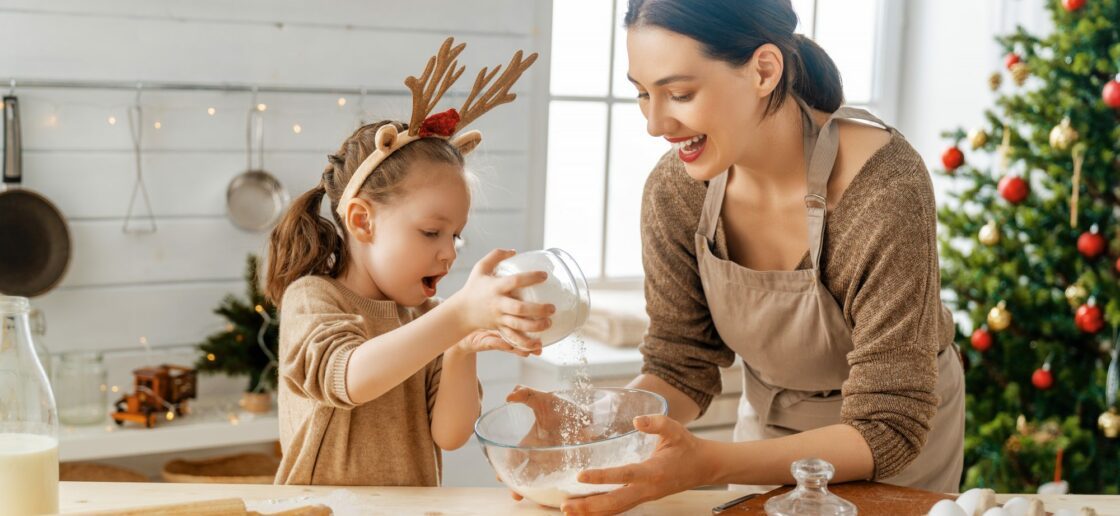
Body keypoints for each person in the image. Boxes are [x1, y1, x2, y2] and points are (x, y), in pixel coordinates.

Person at [526, 1, 965, 513]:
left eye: (680, 93)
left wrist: (711, 462)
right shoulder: (677, 192)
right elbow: (682, 361)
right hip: (765, 437)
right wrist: (598, 419)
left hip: (894, 448)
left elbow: (888, 426)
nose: (654, 123)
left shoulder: (883, 188)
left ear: (763, 70)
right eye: (643, 94)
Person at [266, 38, 553, 487]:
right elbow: (350, 378)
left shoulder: (427, 319)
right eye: (430, 232)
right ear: (363, 221)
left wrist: (459, 346)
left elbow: (451, 434)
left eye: (455, 235)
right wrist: (458, 315)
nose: (449, 251)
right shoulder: (314, 297)